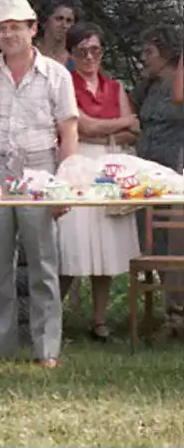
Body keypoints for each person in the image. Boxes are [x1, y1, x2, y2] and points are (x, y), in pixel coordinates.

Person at [0, 0, 79, 369]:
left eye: (15, 27)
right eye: (1, 29)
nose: (8, 35)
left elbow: (68, 133)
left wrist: (64, 184)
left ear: (32, 29)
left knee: (44, 263)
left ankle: (47, 348)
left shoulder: (57, 75)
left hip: (40, 168)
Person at [55, 22, 140, 341]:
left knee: (106, 244)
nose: (90, 56)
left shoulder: (115, 86)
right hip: (77, 162)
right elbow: (83, 127)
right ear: (72, 54)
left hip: (111, 164)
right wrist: (121, 122)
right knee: (71, 242)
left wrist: (112, 128)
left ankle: (100, 321)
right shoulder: (66, 83)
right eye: (82, 51)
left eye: (96, 50)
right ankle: (53, 319)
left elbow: (133, 133)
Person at [132, 25, 184, 333]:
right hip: (147, 173)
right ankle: (170, 312)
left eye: (149, 52)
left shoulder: (177, 84)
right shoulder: (149, 86)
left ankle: (176, 313)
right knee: (157, 243)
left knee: (174, 239)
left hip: (173, 167)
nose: (143, 58)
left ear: (166, 52)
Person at [36, 0, 77, 68]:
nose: (64, 25)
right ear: (44, 21)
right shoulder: (30, 54)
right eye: (59, 19)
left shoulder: (76, 63)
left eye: (69, 21)